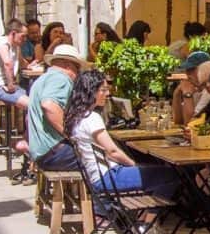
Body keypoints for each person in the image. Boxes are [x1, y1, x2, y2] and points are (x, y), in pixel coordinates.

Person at [64, 69, 180, 199]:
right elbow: (112, 152)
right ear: (90, 91)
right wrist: (133, 165)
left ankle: (142, 215)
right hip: (107, 177)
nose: (107, 93)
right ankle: (149, 218)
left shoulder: (76, 117)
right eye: (103, 90)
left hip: (94, 176)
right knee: (171, 175)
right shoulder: (92, 118)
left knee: (152, 171)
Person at [27, 44, 90, 171]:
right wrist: (71, 135)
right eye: (76, 69)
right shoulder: (61, 78)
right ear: (67, 65)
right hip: (54, 152)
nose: (77, 74)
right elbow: (49, 106)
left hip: (43, 152)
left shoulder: (43, 79)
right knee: (103, 158)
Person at [171, 50, 210, 126]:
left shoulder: (209, 92)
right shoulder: (196, 89)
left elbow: (190, 123)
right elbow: (178, 121)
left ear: (203, 69)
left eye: (191, 70)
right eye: (186, 70)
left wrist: (187, 94)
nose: (187, 75)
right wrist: (176, 94)